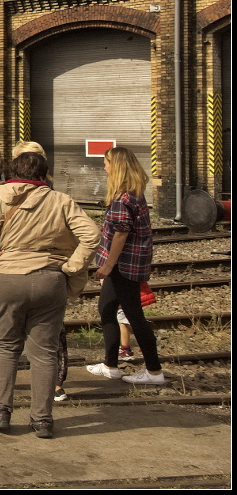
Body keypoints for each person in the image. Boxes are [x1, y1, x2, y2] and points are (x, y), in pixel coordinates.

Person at [0, 151, 98, 438]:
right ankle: (43, 420)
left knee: (6, 346)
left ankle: (0, 411)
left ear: (13, 171)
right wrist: (71, 266)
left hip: (8, 280)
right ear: (44, 174)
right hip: (50, 280)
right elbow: (92, 235)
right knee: (45, 352)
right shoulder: (61, 200)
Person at [88, 146, 164, 386]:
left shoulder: (124, 198)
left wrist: (108, 266)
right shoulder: (132, 193)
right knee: (107, 308)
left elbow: (121, 233)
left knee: (134, 316)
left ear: (117, 166)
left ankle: (154, 372)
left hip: (123, 265)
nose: (105, 167)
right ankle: (111, 365)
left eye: (107, 163)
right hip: (126, 264)